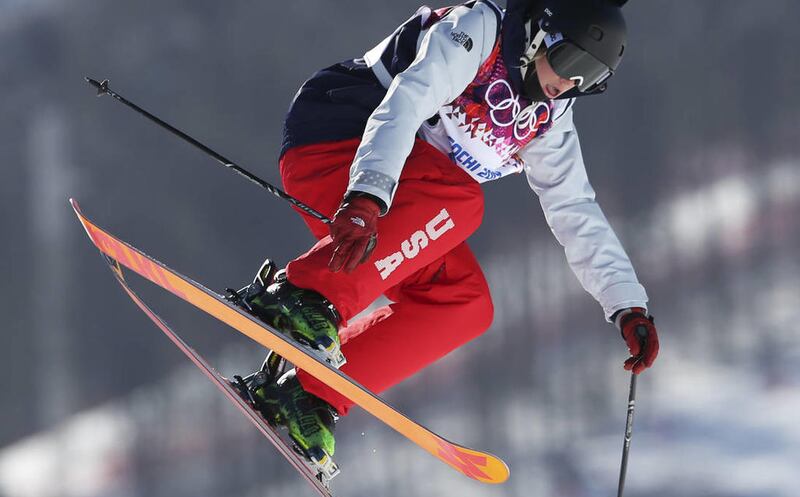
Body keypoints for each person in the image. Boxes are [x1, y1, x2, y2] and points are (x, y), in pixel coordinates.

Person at [230, 0, 660, 472]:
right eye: (571, 63)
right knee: (462, 199)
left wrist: (626, 304)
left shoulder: (549, 118)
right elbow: (405, 103)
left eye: (590, 80)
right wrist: (368, 195)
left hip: (395, 208)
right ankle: (300, 296)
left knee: (465, 304)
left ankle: (306, 394)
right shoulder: (480, 29)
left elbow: (574, 207)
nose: (569, 84)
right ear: (542, 34)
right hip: (338, 146)